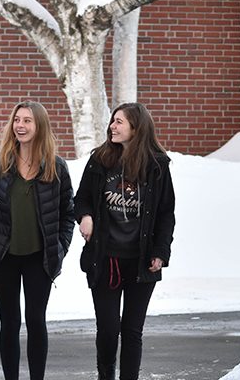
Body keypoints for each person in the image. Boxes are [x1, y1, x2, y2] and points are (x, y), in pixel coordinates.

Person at [74, 102, 176, 380]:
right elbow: (81, 198)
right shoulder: (100, 160)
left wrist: (160, 251)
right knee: (108, 329)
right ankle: (105, 376)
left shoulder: (157, 166)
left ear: (136, 127)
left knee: (132, 330)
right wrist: (85, 216)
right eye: (113, 121)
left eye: (119, 122)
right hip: (105, 259)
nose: (112, 127)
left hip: (142, 262)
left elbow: (166, 213)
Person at [0, 100, 75, 380]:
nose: (20, 125)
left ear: (39, 126)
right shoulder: (1, 159)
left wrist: (60, 246)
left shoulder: (56, 166)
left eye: (27, 121)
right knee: (9, 323)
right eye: (17, 120)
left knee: (35, 321)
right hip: (4, 256)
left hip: (39, 257)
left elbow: (67, 212)